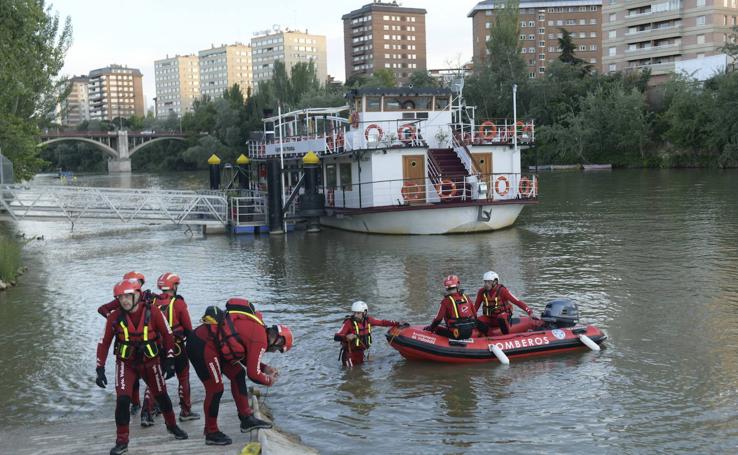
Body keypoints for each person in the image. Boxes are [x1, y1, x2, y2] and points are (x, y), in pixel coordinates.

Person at [95, 278, 188, 455]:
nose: (124, 300)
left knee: (162, 396)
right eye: (120, 297)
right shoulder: (114, 316)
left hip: (151, 362)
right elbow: (104, 342)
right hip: (126, 364)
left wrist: (169, 360)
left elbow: (168, 336)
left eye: (128, 296)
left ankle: (172, 426)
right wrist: (99, 368)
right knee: (122, 401)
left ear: (138, 294)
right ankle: (122, 441)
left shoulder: (153, 312)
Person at [186, 298, 292, 446]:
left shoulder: (258, 330)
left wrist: (265, 368)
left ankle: (246, 419)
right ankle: (211, 432)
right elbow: (253, 374)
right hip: (202, 344)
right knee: (215, 389)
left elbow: (239, 354)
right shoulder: (260, 339)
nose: (273, 351)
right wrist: (269, 381)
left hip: (212, 344)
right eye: (277, 349)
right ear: (277, 341)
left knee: (237, 374)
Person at [140, 272, 199, 427]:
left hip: (155, 347)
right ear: (174, 286)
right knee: (183, 377)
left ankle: (146, 412)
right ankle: (185, 411)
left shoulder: (151, 301)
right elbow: (188, 328)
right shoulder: (178, 304)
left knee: (155, 379)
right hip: (176, 347)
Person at [96, 271, 154, 417]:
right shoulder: (122, 301)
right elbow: (102, 309)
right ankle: (136, 405)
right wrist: (115, 321)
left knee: (153, 379)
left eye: (139, 283)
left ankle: (148, 407)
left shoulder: (149, 299)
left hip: (148, 344)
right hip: (127, 344)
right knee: (132, 379)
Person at [334, 301, 405, 367]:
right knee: (350, 373)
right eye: (354, 313)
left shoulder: (369, 320)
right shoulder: (348, 323)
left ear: (364, 312)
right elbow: (336, 336)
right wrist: (346, 337)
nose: (355, 315)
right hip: (349, 355)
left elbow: (382, 322)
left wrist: (397, 323)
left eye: (358, 313)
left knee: (361, 373)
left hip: (361, 353)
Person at [424, 275, 488, 339]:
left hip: (455, 334)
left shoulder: (446, 301)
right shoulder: (466, 297)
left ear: (446, 288)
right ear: (457, 285)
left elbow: (438, 319)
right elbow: (474, 314)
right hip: (469, 333)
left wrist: (431, 328)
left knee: (437, 329)